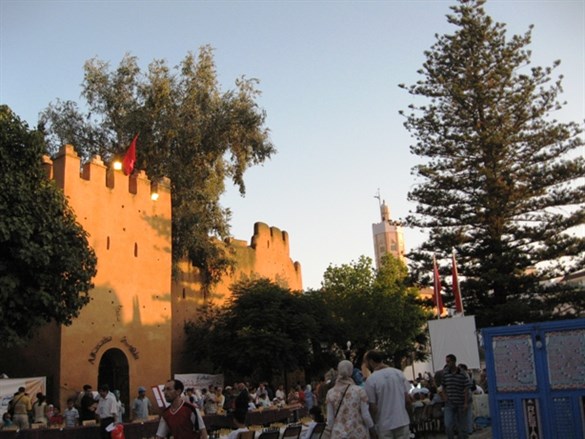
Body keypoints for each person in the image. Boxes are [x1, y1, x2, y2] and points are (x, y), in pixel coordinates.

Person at [364, 350, 411, 439]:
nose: (365, 365)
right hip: (402, 421)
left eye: (365, 362)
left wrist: (373, 425)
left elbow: (373, 407)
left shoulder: (371, 380)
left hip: (384, 425)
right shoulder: (398, 373)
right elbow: (407, 399)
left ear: (371, 361)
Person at [326, 359, 374, 439]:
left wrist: (331, 431)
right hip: (358, 433)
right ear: (351, 371)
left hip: (338, 434)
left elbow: (330, 419)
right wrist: (372, 428)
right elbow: (365, 415)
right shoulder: (359, 391)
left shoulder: (330, 393)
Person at [440, 354, 471, 439]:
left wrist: (465, 403)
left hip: (460, 402)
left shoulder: (462, 373)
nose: (447, 363)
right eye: (446, 361)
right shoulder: (445, 373)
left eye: (448, 361)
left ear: (454, 362)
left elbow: (466, 389)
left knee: (462, 426)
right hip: (449, 403)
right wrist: (444, 397)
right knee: (448, 424)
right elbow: (442, 386)